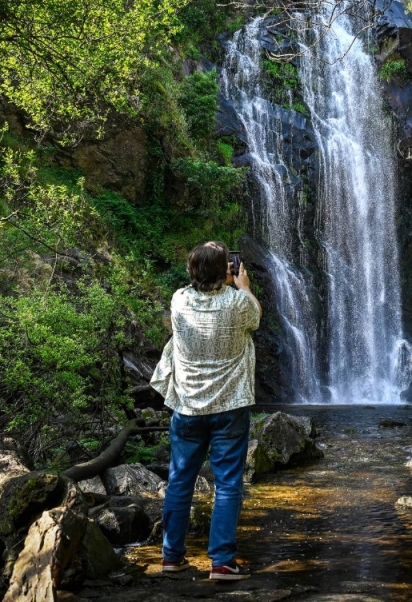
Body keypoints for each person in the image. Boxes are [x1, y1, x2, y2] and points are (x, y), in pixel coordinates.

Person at [151, 241, 261, 581]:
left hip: (186, 406)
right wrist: (242, 287)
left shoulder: (179, 300)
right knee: (227, 485)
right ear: (226, 271)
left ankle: (171, 558)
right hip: (230, 406)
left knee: (179, 481)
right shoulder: (240, 302)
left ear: (191, 272)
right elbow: (255, 317)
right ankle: (222, 562)